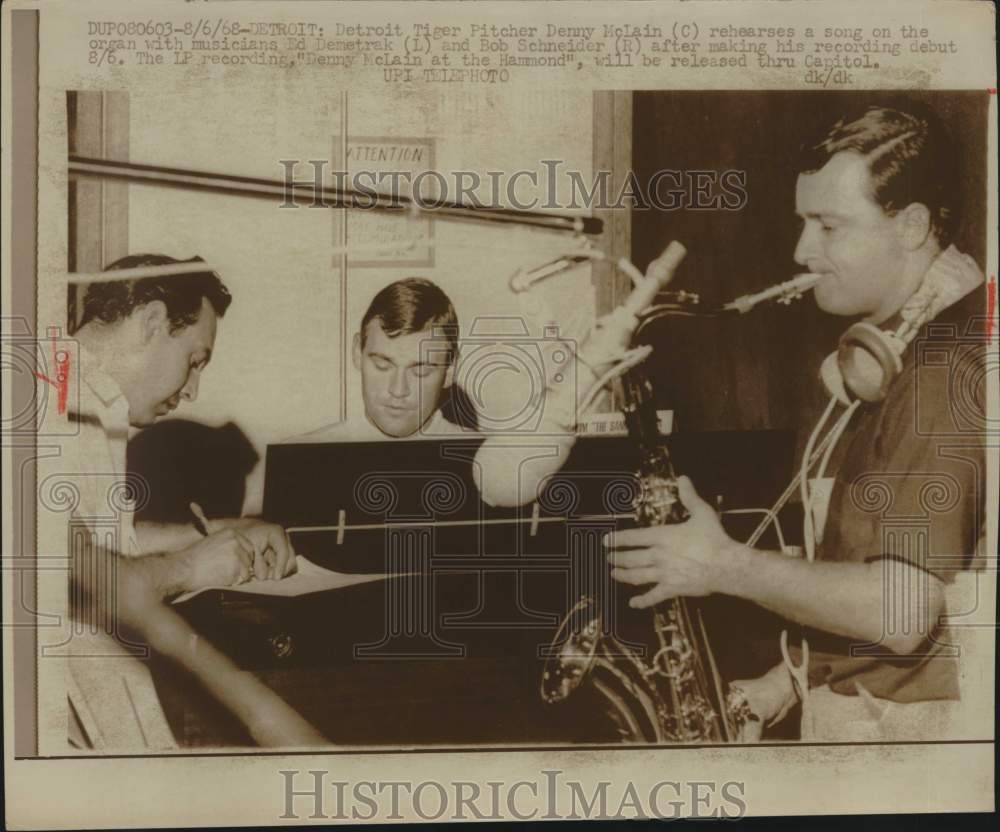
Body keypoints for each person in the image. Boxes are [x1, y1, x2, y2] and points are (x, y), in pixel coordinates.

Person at [602, 105, 986, 740]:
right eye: (804, 222)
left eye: (828, 226)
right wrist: (785, 685)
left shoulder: (942, 370)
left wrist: (724, 566)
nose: (802, 251)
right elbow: (931, 593)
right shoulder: (906, 349)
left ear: (912, 225)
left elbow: (904, 609)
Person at [68, 254, 295, 589]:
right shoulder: (35, 398)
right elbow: (67, 574)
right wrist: (187, 568)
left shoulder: (91, 405)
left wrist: (227, 533)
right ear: (152, 322)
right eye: (193, 361)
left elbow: (112, 546)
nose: (192, 392)